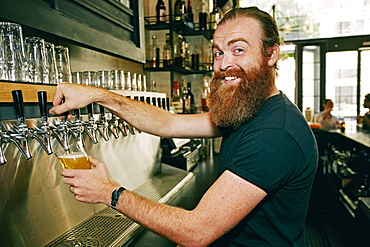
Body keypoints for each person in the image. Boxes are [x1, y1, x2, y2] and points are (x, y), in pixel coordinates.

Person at [49, 7, 318, 246]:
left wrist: (110, 192)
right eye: (218, 52)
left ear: (270, 54)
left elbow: (196, 231)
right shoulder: (251, 110)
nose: (224, 64)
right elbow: (169, 123)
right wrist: (99, 96)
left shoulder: (275, 134)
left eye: (238, 49)